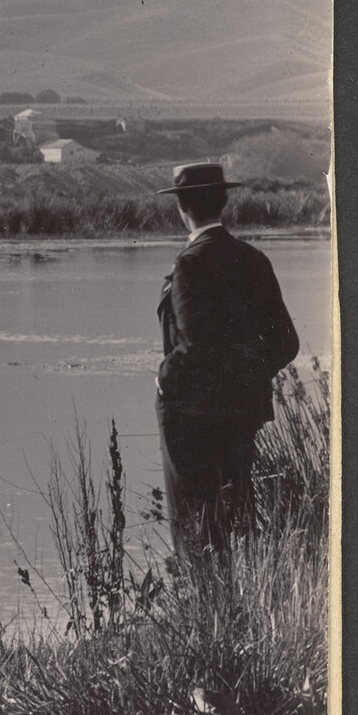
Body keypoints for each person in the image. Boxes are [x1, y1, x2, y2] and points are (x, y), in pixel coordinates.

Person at [154, 162, 298, 560]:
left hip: (190, 415)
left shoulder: (190, 262)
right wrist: (245, 374)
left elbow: (194, 347)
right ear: (225, 202)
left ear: (181, 207)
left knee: (194, 524)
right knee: (236, 517)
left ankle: (206, 610)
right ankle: (236, 604)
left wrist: (164, 378)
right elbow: (286, 342)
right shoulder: (253, 259)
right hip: (242, 410)